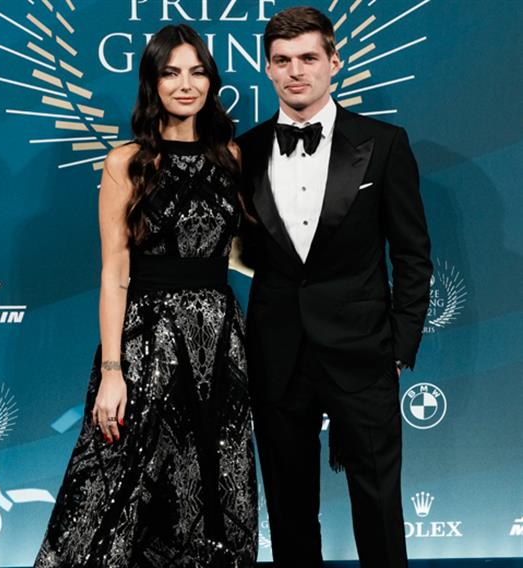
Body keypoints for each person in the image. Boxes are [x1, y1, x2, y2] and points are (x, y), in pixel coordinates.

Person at [35, 24, 257, 568]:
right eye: (171, 73)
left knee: (214, 484)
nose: (186, 85)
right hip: (146, 343)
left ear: (211, 82)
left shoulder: (231, 156)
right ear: (152, 83)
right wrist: (113, 371)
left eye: (197, 73)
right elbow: (114, 271)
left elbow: (240, 253)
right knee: (115, 486)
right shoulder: (127, 162)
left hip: (220, 344)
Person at [236, 6, 432, 568]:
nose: (295, 71)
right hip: (277, 353)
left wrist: (399, 345)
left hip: (363, 351)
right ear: (267, 68)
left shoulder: (384, 143)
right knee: (289, 510)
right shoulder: (243, 151)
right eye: (282, 60)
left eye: (308, 58)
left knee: (378, 504)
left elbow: (413, 254)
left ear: (334, 62)